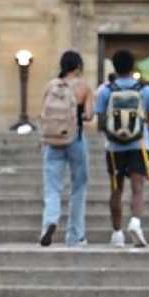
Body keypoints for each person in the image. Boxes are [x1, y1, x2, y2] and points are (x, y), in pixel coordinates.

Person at [94, 48, 149, 248]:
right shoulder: (145, 90)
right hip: (139, 145)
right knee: (137, 188)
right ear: (132, 66)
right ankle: (135, 222)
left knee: (116, 189)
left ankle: (117, 233)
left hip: (114, 148)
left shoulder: (105, 90)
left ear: (114, 67)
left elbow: (100, 120)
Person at [36, 51, 93, 247]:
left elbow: (42, 113)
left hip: (52, 141)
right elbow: (89, 115)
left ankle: (49, 222)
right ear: (78, 66)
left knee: (52, 188)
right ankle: (75, 235)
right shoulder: (83, 87)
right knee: (78, 187)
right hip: (75, 139)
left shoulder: (50, 86)